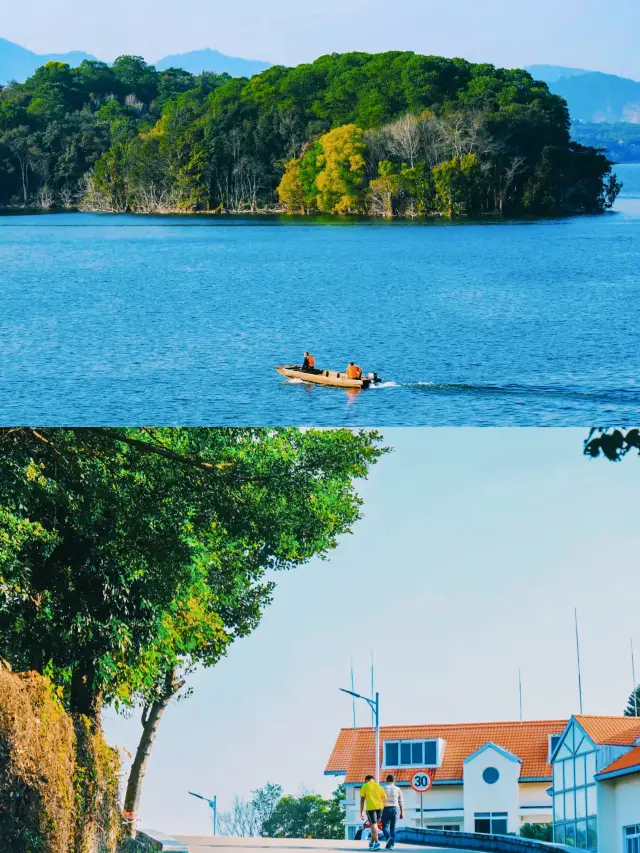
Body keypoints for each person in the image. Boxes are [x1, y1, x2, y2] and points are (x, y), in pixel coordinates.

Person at [360, 774, 385, 850]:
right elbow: (384, 798)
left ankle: (377, 843)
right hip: (380, 807)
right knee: (374, 825)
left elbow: (362, 800)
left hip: (371, 808)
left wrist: (361, 812)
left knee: (373, 825)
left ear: (366, 780)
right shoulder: (379, 786)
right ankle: (372, 842)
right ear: (373, 779)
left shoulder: (364, 786)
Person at [381, 774, 404, 850]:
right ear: (394, 780)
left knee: (384, 826)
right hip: (395, 808)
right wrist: (401, 812)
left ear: (386, 780)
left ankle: (388, 838)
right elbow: (401, 801)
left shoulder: (383, 788)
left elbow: (380, 800)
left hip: (385, 808)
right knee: (393, 827)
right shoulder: (397, 789)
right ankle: (390, 845)